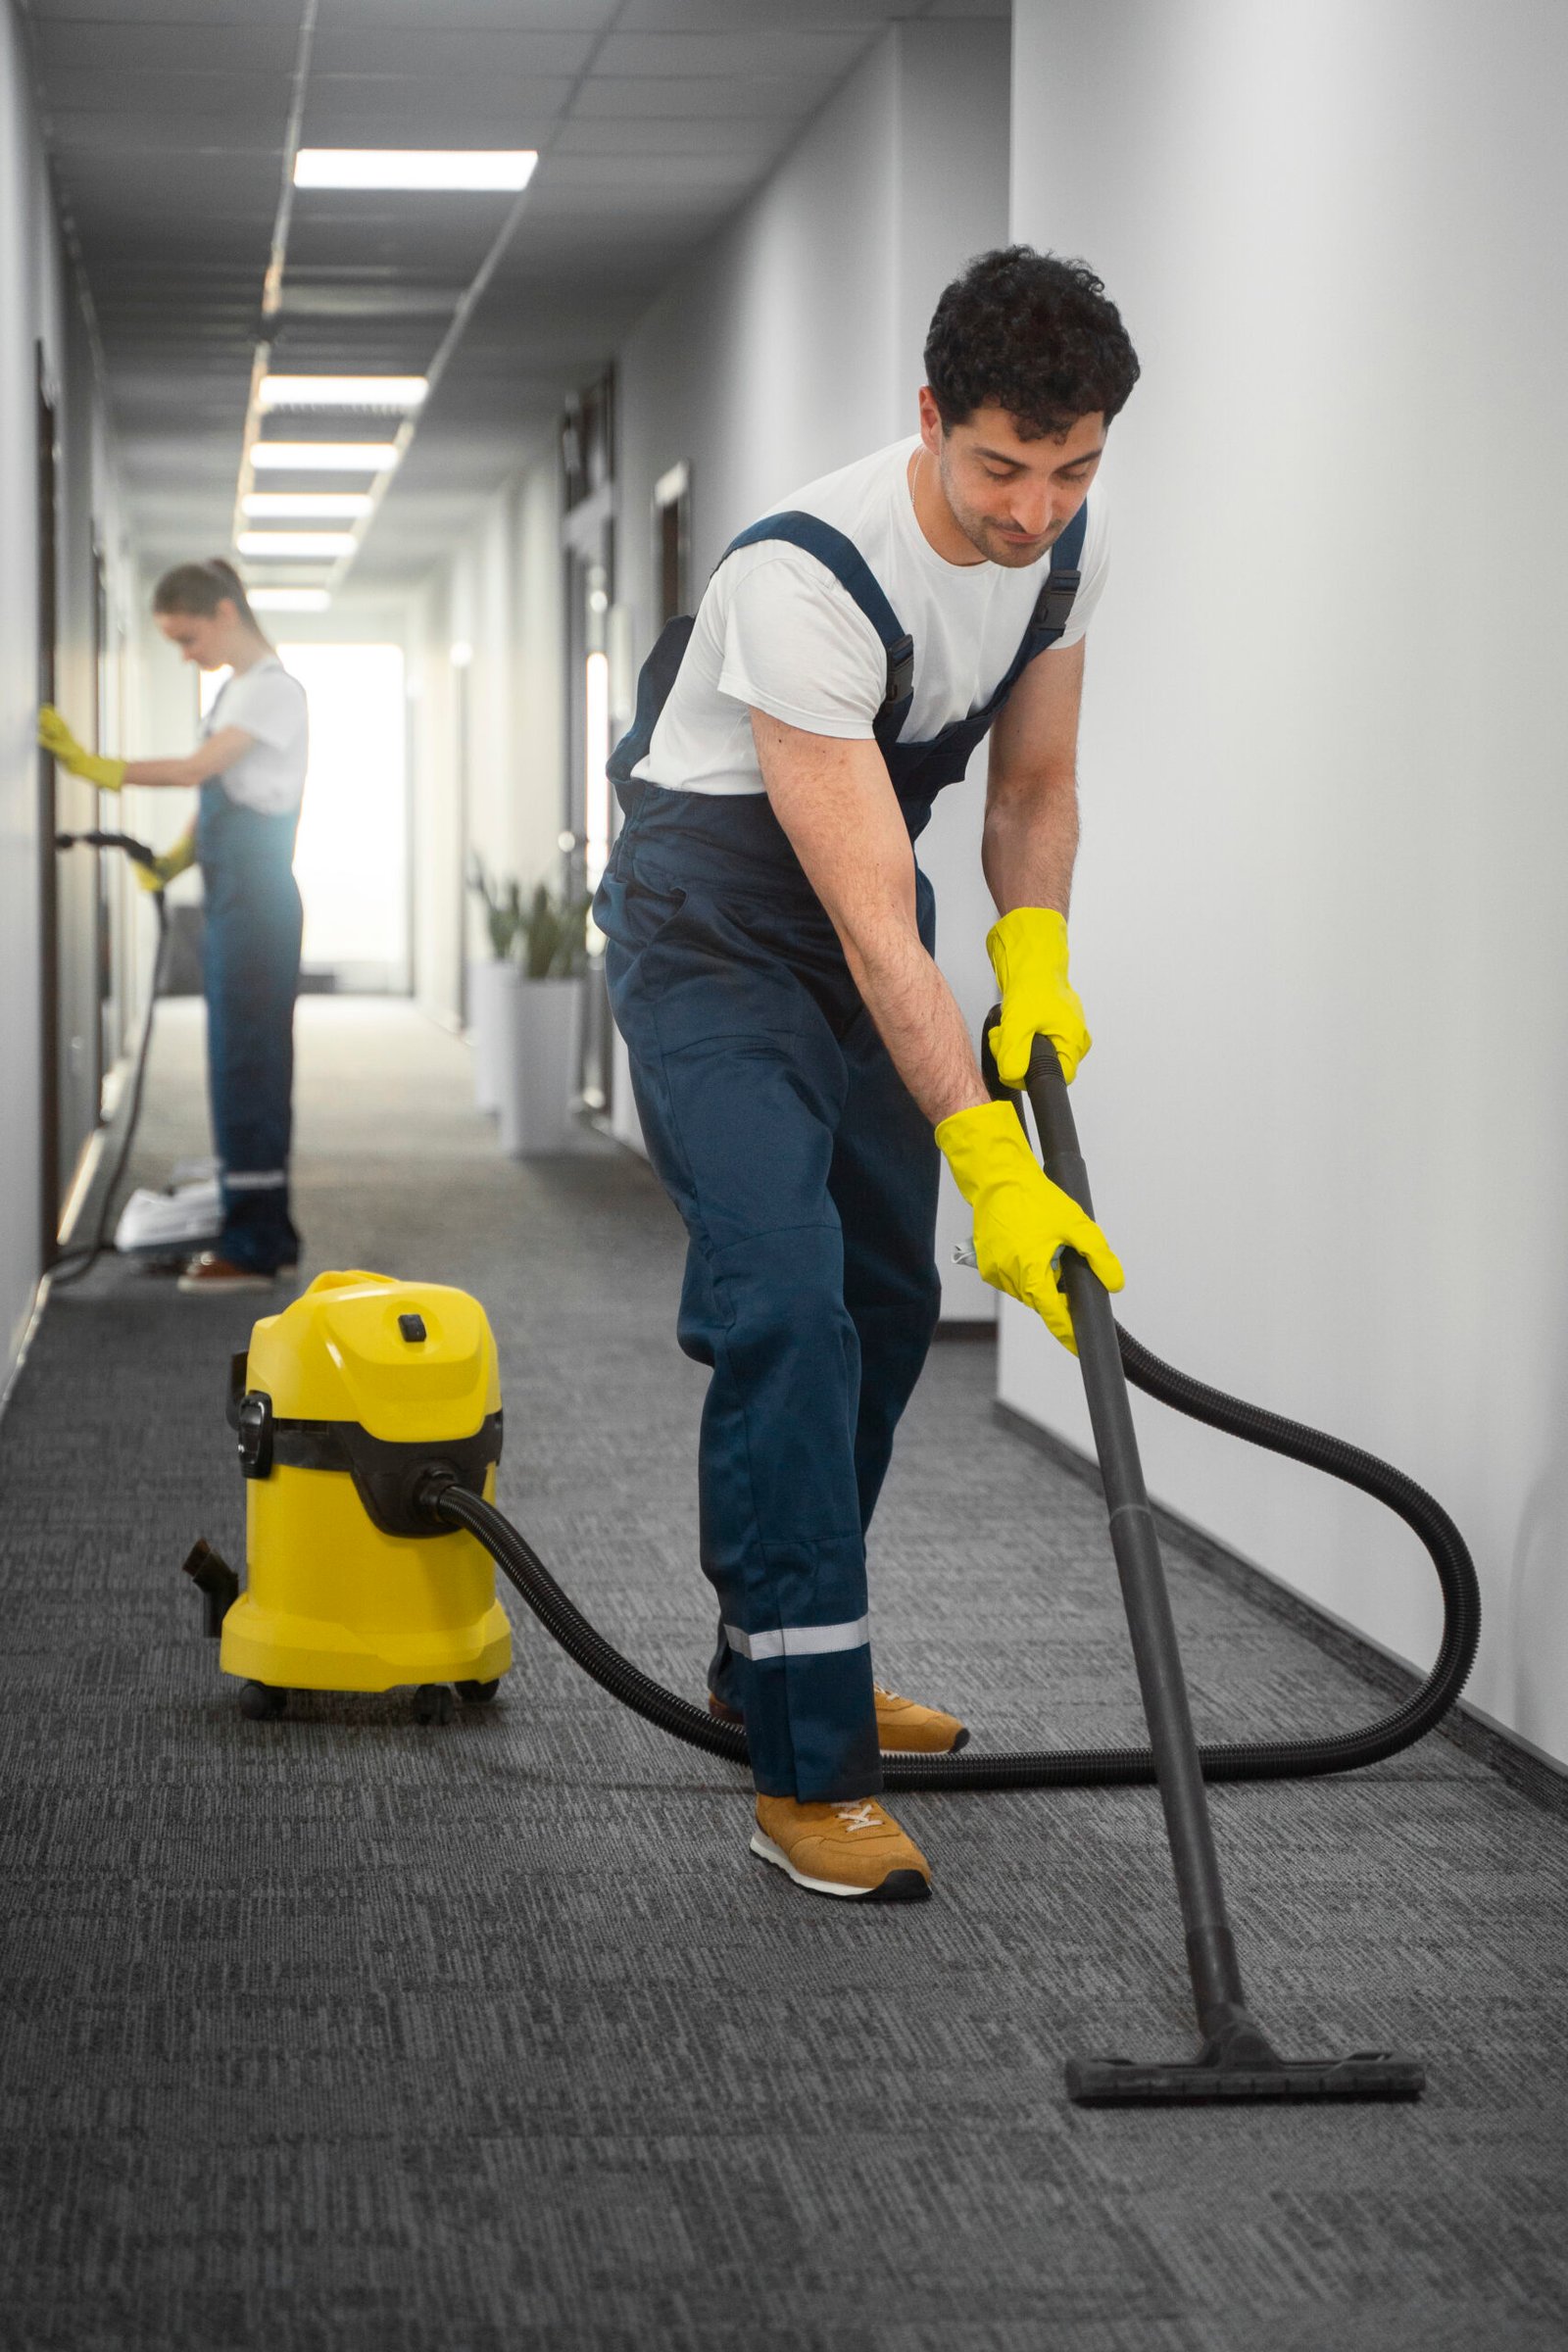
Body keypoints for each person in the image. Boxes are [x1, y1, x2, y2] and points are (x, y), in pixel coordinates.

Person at [595, 247, 1140, 1903]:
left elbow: (1029, 792)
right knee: (785, 1301)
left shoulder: (1064, 557)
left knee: (890, 1303)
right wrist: (992, 1162)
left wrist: (1035, 959)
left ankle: (770, 1651)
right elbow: (870, 926)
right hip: (716, 921)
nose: (1036, 508)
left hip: (854, 901)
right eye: (1001, 468)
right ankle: (806, 1760)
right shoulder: (805, 576)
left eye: (1075, 470)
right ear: (929, 420)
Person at [39, 558, 308, 1294]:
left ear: (225, 612)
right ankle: (261, 1227)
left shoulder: (274, 692)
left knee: (248, 1064)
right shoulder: (236, 691)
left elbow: (199, 769)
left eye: (187, 637)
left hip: (257, 905)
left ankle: (252, 1248)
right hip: (233, 899)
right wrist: (173, 858)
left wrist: (99, 770)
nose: (186, 654)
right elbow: (221, 794)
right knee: (234, 1064)